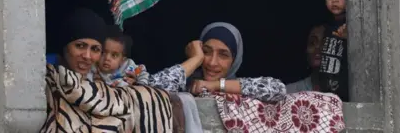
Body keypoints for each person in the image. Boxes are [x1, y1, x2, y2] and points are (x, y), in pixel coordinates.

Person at [41, 8, 174, 133]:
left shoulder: (109, 80)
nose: (87, 56)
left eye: (95, 49)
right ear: (64, 47)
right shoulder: (45, 70)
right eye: (80, 46)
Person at [149, 22, 286, 102]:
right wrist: (195, 59)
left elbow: (278, 89)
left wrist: (215, 85)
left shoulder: (243, 89)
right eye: (207, 52)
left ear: (235, 60)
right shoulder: (185, 85)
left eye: (223, 55)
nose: (212, 63)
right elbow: (150, 92)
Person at [320, 0, 349, 101]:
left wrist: (349, 38)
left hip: (344, 97)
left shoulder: (349, 25)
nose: (334, 0)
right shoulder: (328, 26)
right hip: (327, 95)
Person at [285, 23, 327, 94]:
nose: (318, 49)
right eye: (312, 43)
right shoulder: (289, 92)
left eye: (325, 44)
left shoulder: (347, 92)